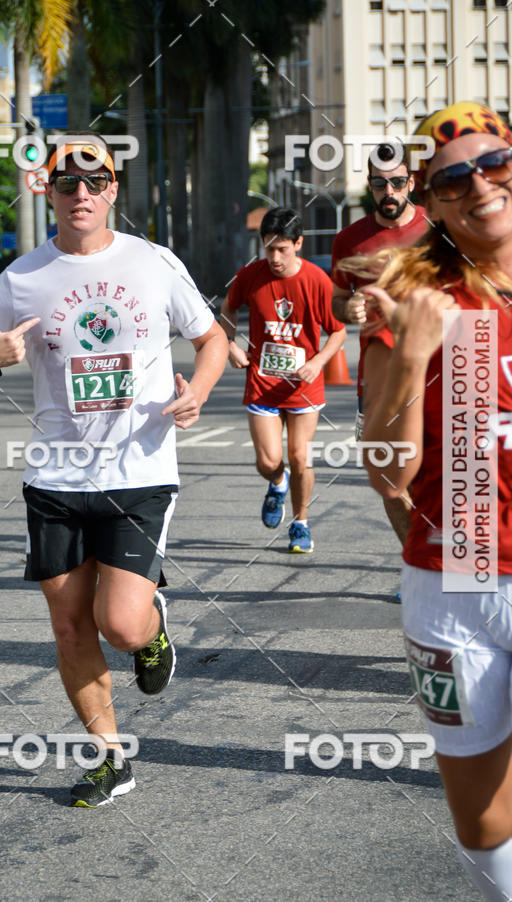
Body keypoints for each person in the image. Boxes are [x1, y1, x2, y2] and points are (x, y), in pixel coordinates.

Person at [0, 133, 228, 807]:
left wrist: (200, 390)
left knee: (119, 623)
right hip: (55, 480)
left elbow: (211, 338)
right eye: (67, 182)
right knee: (69, 626)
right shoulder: (20, 278)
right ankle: (111, 759)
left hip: (138, 473)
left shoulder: (153, 263)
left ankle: (151, 624)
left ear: (113, 189)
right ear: (48, 191)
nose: (81, 193)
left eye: (94, 181)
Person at [361, 102, 512, 900]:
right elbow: (388, 472)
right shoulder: (418, 295)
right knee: (482, 821)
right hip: (455, 578)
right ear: (433, 201)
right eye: (454, 180)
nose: (479, 186)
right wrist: (415, 351)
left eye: (495, 165)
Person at [220, 207, 346, 553]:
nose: (274, 258)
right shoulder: (251, 275)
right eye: (268, 248)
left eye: (282, 249)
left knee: (301, 457)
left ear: (298, 244)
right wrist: (230, 344)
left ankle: (301, 523)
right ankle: (277, 482)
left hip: (304, 386)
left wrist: (318, 362)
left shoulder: (317, 281)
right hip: (262, 383)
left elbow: (338, 332)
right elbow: (228, 307)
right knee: (268, 461)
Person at [331, 143, 427, 546]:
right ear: (369, 185)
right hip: (379, 378)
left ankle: (443, 561)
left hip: (439, 371)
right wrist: (348, 307)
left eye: (397, 182)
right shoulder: (349, 240)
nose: (389, 192)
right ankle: (416, 559)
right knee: (390, 478)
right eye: (379, 184)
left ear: (412, 182)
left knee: (441, 475)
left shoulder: (439, 230)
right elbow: (337, 301)